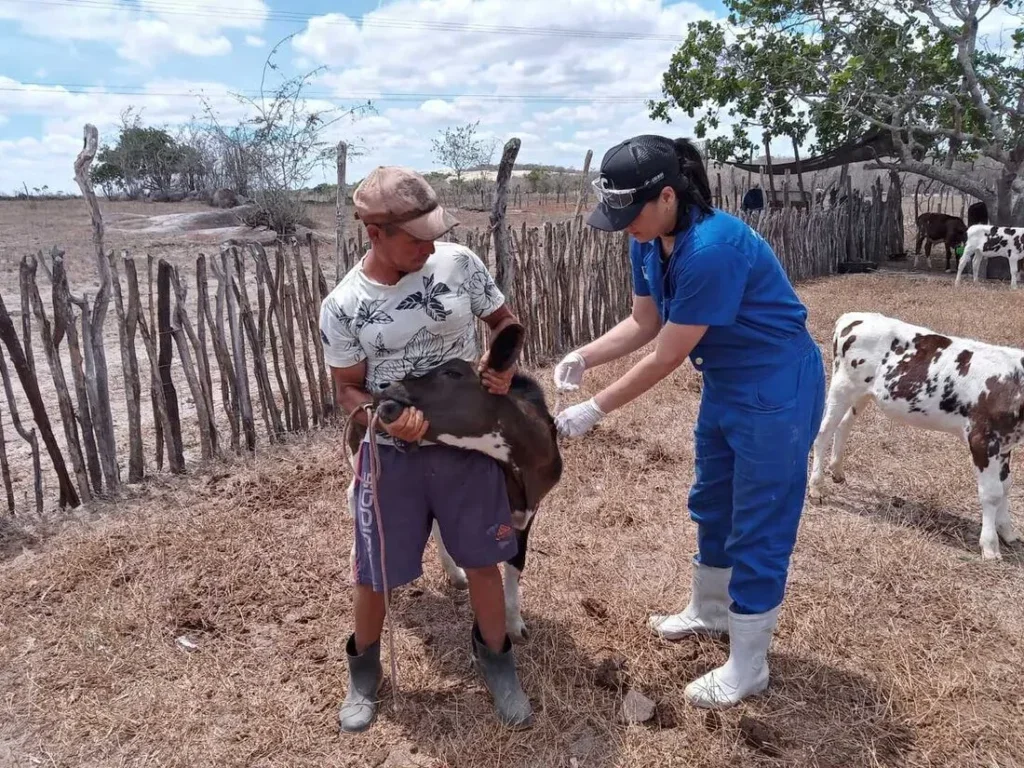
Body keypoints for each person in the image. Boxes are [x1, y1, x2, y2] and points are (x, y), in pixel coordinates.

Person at [552, 135, 825, 709]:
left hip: (775, 384)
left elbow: (666, 356)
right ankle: (710, 610)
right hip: (726, 381)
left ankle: (749, 665)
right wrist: (585, 356)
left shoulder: (712, 249)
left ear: (669, 196)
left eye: (632, 213)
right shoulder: (650, 239)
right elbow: (643, 322)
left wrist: (595, 408)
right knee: (712, 499)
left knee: (760, 518)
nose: (625, 226)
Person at [319, 165, 533, 732]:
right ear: (375, 233)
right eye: (416, 240)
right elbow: (347, 390)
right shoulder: (345, 305)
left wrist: (502, 364)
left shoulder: (459, 264)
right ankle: (364, 672)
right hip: (393, 460)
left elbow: (505, 322)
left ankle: (497, 660)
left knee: (483, 559)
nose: (429, 248)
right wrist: (387, 422)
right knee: (375, 571)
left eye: (434, 235)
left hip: (468, 444)